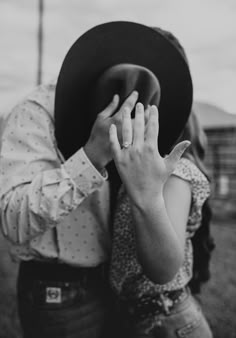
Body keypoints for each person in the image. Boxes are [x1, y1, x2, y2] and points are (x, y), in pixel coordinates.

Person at [0, 22, 193, 338]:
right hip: (60, 292)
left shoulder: (152, 117)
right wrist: (91, 156)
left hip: (120, 290)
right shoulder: (36, 113)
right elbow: (12, 219)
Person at [109, 107, 214, 337]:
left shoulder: (177, 173)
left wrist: (147, 196)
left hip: (168, 321)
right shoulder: (143, 174)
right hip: (142, 319)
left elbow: (163, 269)